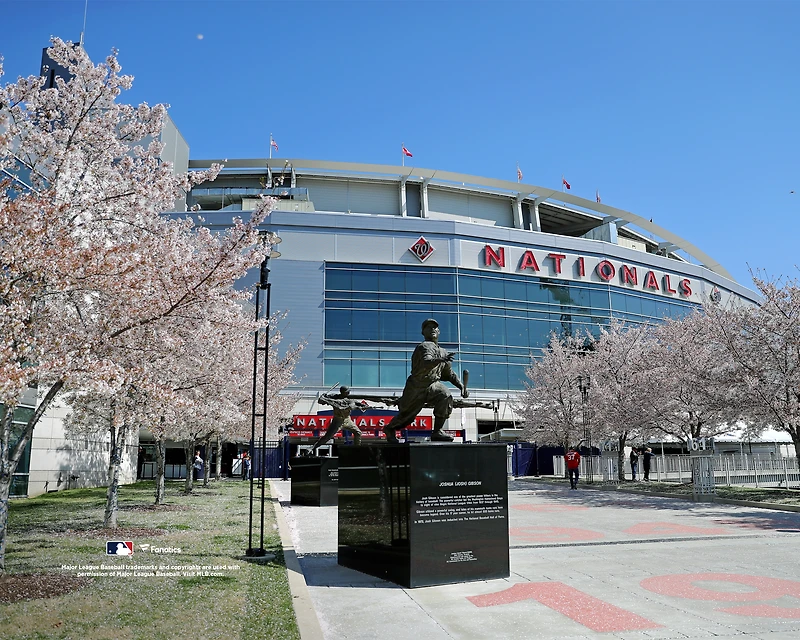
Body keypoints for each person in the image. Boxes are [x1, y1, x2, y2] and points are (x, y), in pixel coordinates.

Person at [382, 318, 468, 444]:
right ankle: (390, 429)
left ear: (439, 331)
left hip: (432, 384)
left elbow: (449, 374)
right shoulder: (424, 346)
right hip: (417, 386)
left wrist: (461, 386)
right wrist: (440, 360)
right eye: (428, 327)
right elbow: (425, 362)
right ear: (423, 332)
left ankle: (437, 431)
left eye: (435, 327)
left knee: (445, 395)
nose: (432, 329)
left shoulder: (443, 352)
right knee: (407, 416)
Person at [310, 386, 369, 454]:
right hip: (337, 421)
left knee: (358, 432)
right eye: (347, 392)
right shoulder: (334, 397)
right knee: (327, 437)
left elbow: (357, 404)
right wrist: (323, 397)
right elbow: (320, 401)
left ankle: (357, 449)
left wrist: (364, 406)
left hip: (347, 420)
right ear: (342, 392)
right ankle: (312, 448)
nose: (349, 393)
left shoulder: (349, 399)